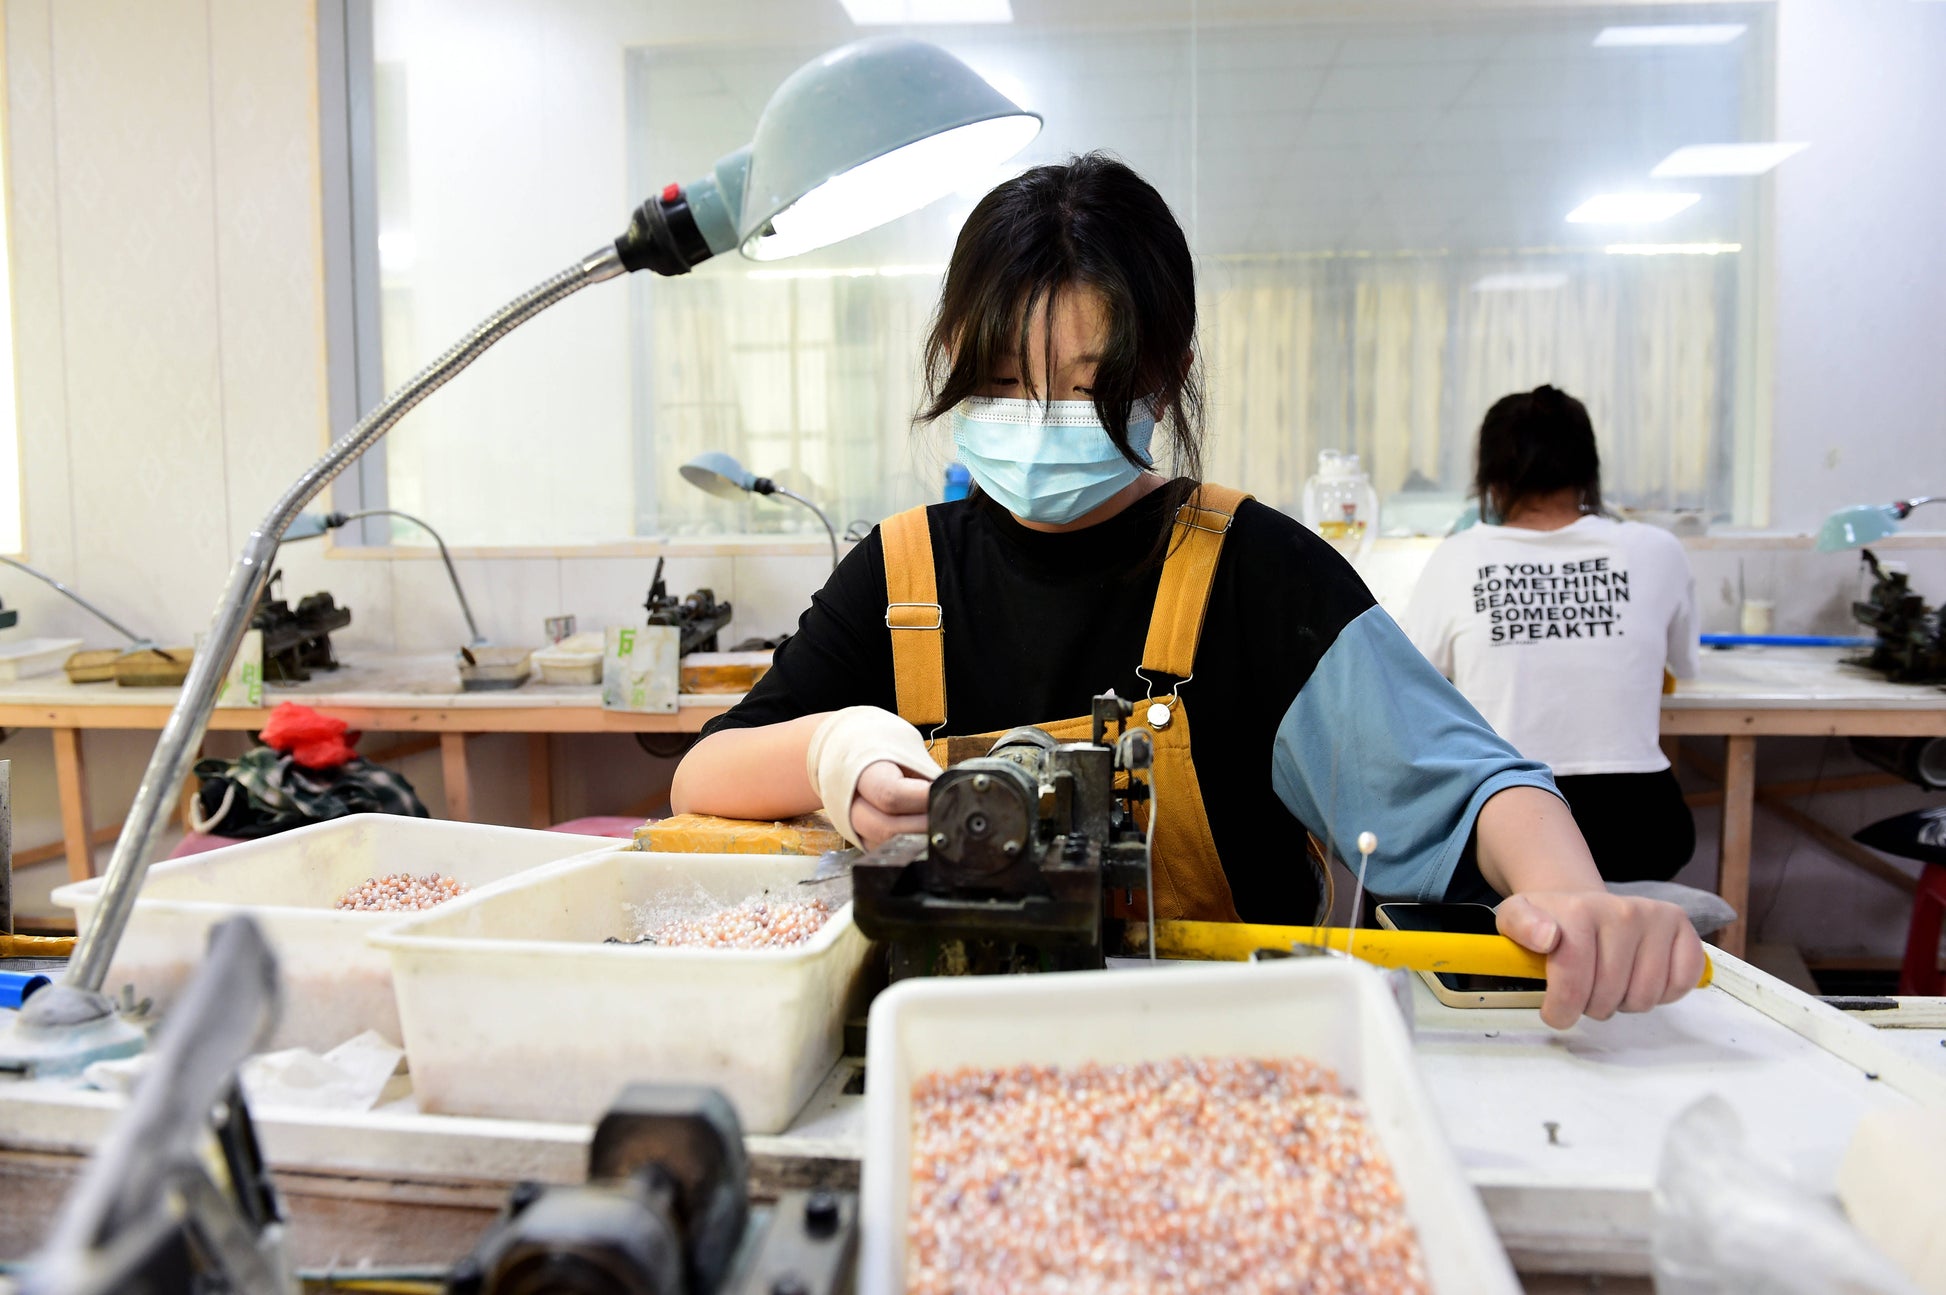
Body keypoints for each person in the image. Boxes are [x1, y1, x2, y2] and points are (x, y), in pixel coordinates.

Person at [672, 154, 1703, 1029]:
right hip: (947, 1046)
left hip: (1224, 1051)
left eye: (1089, 384)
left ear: (1166, 375)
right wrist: (835, 751)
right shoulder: (903, 576)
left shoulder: (1256, 572)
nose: (1042, 416)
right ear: (951, 359)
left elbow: (1476, 788)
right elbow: (704, 775)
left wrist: (1573, 899)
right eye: (1004, 380)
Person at [1404, 384, 1700, 884]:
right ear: (1588, 469)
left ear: (1490, 475)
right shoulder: (1657, 550)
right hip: (1640, 826)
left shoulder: (1458, 557)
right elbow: (1686, 668)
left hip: (1512, 825)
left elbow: (1416, 683)